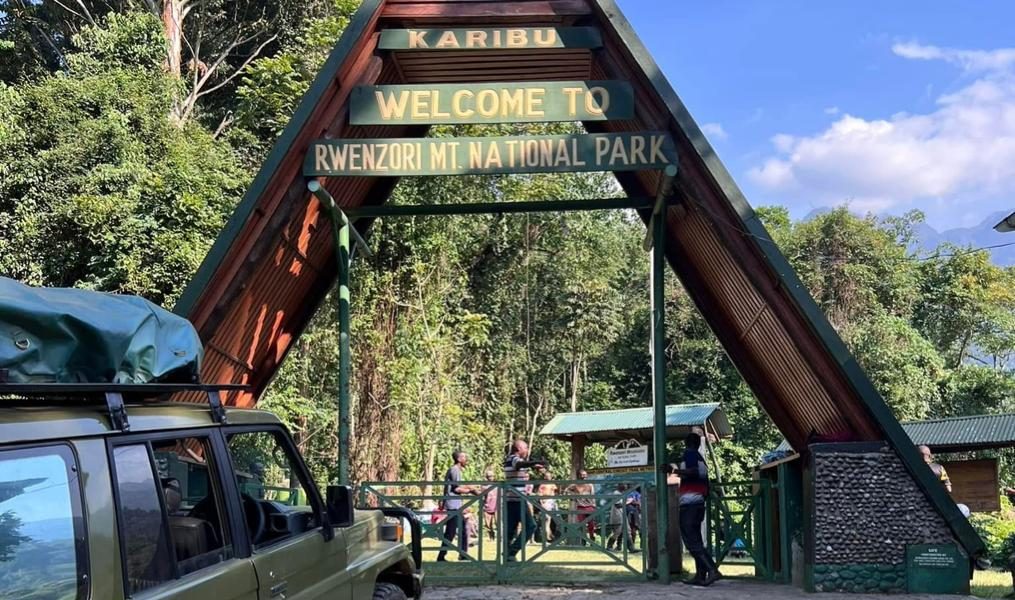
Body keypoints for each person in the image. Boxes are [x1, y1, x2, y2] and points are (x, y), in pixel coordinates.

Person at [677, 432, 720, 586]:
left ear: (686, 443)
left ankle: (712, 570)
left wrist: (674, 471)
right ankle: (700, 575)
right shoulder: (702, 460)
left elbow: (692, 471)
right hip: (699, 503)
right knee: (697, 540)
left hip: (689, 503)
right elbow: (706, 485)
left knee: (691, 540)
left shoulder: (689, 455)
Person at [503, 439, 544, 561]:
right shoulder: (514, 459)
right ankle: (512, 551)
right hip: (517, 499)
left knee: (511, 529)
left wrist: (533, 465)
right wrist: (534, 462)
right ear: (519, 449)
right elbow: (519, 464)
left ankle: (508, 556)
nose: (527, 451)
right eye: (525, 448)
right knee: (530, 526)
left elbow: (520, 466)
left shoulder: (510, 459)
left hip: (511, 499)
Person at [437, 450, 473, 561]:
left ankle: (462, 554)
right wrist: (470, 490)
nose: (466, 459)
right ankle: (442, 556)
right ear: (458, 459)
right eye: (464, 457)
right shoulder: (455, 470)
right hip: (453, 505)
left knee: (462, 530)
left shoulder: (454, 470)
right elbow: (456, 488)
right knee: (451, 532)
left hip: (455, 504)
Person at [566, 469, 597, 543]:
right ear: (578, 476)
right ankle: (584, 540)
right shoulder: (575, 484)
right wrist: (573, 497)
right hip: (580, 506)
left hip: (589, 506)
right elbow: (566, 490)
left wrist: (594, 505)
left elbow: (593, 495)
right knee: (582, 525)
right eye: (582, 474)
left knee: (591, 524)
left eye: (585, 474)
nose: (584, 476)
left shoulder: (590, 484)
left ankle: (592, 538)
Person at [482, 468, 498, 541]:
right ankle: (491, 537)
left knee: (498, 523)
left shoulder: (497, 486)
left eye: (492, 476)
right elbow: (481, 497)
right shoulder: (484, 487)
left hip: (496, 507)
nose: (491, 477)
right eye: (489, 476)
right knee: (488, 524)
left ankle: (499, 537)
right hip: (487, 507)